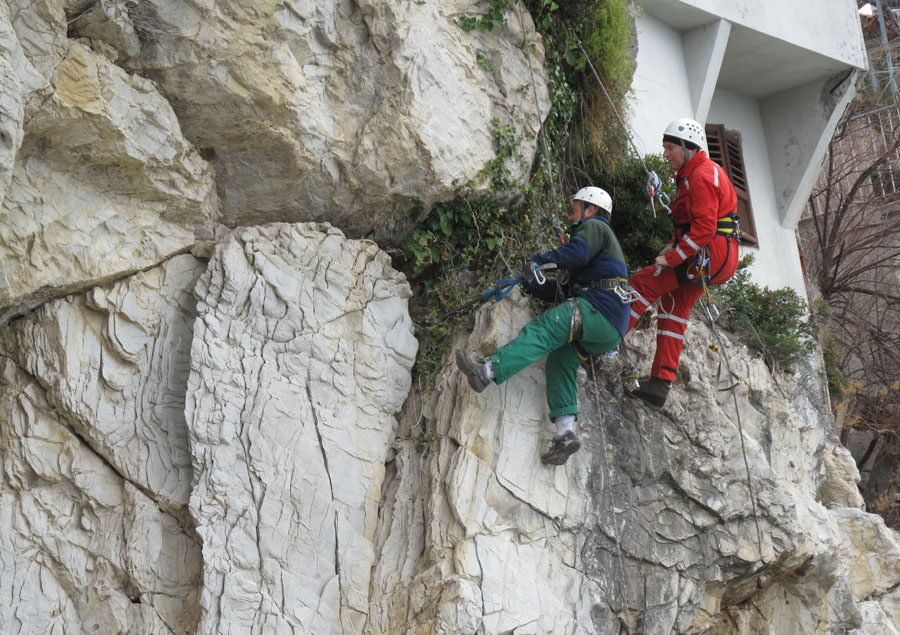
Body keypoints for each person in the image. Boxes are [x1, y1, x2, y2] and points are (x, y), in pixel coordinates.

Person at [456, 186, 631, 466]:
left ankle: (486, 371)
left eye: (576, 206)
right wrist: (530, 282)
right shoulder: (593, 253)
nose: (570, 210)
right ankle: (565, 433)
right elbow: (559, 292)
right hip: (610, 326)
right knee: (561, 360)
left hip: (600, 308)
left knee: (545, 329)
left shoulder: (596, 227)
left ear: (591, 209)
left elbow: (575, 253)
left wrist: (539, 260)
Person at [624, 118, 740, 409]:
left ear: (689, 148)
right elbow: (697, 227)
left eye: (670, 148)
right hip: (719, 255)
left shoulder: (701, 175)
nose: (665, 154)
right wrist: (673, 247)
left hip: (710, 252)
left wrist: (671, 257)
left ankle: (605, 342)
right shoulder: (695, 174)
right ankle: (660, 385)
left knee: (641, 283)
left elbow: (702, 229)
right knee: (673, 307)